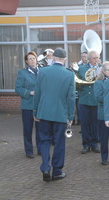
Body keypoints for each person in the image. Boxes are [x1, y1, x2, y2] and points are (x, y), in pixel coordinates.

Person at [33, 48, 75, 182]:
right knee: (59, 143)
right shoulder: (69, 75)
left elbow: (37, 93)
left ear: (53, 58)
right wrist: (70, 116)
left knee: (44, 141)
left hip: (44, 113)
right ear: (64, 59)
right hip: (60, 114)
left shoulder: (43, 72)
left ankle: (45, 166)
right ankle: (57, 171)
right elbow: (71, 98)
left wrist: (35, 111)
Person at [15, 51, 40, 158]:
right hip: (28, 106)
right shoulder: (22, 73)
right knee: (28, 129)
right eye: (29, 59)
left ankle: (41, 149)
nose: (32, 60)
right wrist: (29, 92)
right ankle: (29, 151)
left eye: (33, 58)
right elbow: (18, 88)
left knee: (41, 129)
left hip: (40, 106)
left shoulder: (42, 71)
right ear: (26, 61)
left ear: (36, 59)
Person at [77, 50, 101, 154]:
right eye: (94, 58)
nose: (96, 60)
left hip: (95, 100)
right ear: (89, 59)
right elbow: (77, 84)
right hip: (85, 99)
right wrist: (83, 84)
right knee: (85, 124)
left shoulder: (101, 69)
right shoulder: (82, 69)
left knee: (95, 124)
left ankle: (94, 144)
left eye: (97, 58)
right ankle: (86, 145)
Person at [94, 61, 109, 165]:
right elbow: (98, 98)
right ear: (103, 71)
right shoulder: (99, 82)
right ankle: (104, 157)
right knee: (104, 138)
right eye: (108, 70)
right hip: (103, 114)